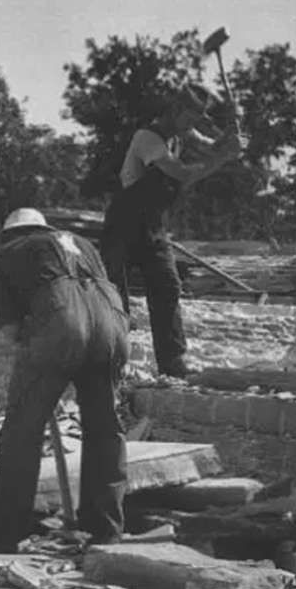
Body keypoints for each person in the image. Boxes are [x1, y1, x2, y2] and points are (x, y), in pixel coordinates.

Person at [0, 208, 130, 553]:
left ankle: (6, 532)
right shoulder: (84, 245)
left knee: (22, 430)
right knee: (105, 429)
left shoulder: (6, 256)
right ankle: (105, 529)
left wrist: (35, 362)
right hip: (113, 324)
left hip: (61, 320)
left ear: (7, 236)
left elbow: (11, 329)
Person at [100, 83, 241, 380]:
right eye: (190, 118)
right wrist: (223, 159)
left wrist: (229, 139)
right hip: (123, 225)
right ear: (176, 110)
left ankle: (172, 363)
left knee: (167, 287)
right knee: (114, 296)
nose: (193, 126)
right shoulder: (148, 138)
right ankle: (110, 366)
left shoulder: (182, 134)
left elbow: (212, 147)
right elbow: (182, 174)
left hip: (152, 224)